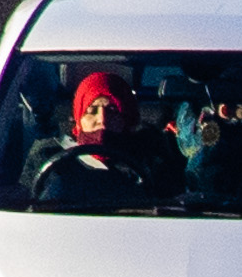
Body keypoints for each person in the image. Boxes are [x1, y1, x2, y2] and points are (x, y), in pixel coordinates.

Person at [27, 65, 181, 209]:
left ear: (127, 118)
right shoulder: (46, 156)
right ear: (78, 119)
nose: (102, 119)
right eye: (92, 111)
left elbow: (172, 206)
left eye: (112, 110)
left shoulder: (151, 157)